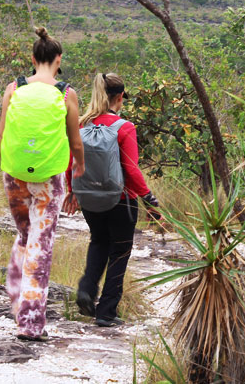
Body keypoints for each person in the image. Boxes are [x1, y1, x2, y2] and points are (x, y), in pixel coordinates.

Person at [0, 27, 84, 341]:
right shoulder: (66, 93)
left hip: (14, 174)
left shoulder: (14, 88)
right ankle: (30, 321)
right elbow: (75, 142)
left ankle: (16, 288)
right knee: (41, 245)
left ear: (33, 58)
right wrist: (78, 173)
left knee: (26, 235)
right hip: (49, 178)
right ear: (59, 59)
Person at [64, 72, 160, 327]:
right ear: (119, 97)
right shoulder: (124, 127)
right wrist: (149, 199)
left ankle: (86, 288)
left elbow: (70, 162)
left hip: (89, 199)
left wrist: (72, 191)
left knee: (98, 241)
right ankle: (106, 311)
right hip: (121, 200)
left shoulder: (82, 125)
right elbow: (131, 168)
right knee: (119, 251)